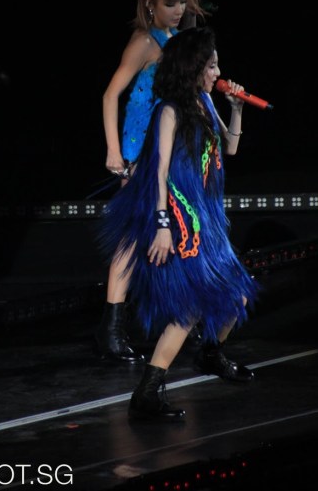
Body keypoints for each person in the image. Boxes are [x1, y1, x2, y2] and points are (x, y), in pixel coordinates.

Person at [98, 27, 258, 422]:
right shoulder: (169, 111)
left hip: (209, 220)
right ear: (193, 67)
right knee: (187, 310)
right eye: (211, 65)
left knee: (237, 299)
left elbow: (231, 146)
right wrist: (162, 225)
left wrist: (237, 109)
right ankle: (147, 393)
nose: (217, 72)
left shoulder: (205, 102)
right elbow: (159, 172)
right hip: (182, 220)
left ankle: (210, 354)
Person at [97, 0, 205, 364]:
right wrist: (114, 150)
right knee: (132, 237)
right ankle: (110, 330)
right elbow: (111, 94)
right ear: (150, 4)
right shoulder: (144, 41)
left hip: (167, 150)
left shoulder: (175, 39)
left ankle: (180, 319)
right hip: (139, 152)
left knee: (168, 233)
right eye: (170, 3)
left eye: (182, 2)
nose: (178, 10)